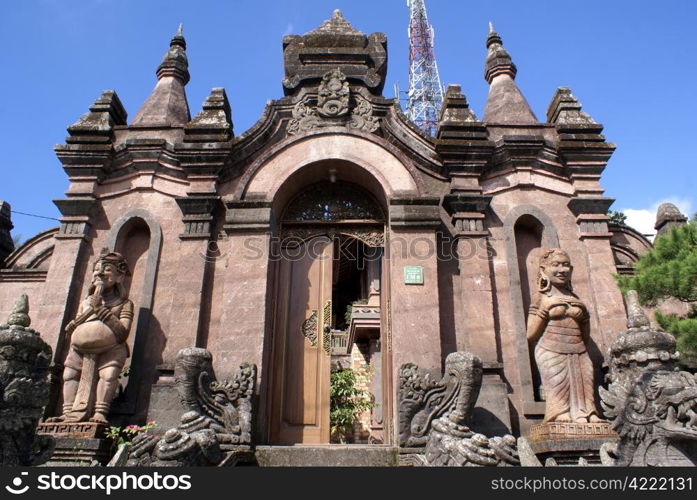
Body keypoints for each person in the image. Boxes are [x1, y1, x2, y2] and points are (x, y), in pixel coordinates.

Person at [51, 250, 133, 424]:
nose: (100, 273)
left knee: (109, 375)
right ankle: (68, 413)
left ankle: (100, 412)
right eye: (97, 269)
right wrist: (72, 328)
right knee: (69, 376)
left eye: (107, 269)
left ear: (119, 277)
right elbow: (78, 323)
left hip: (110, 348)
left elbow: (123, 331)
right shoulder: (85, 302)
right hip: (79, 349)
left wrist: (101, 310)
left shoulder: (124, 304)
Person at [526, 248, 601, 423]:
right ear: (543, 270)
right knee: (558, 386)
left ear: (572, 270)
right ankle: (559, 413)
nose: (561, 270)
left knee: (586, 383)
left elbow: (585, 337)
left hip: (579, 350)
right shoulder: (540, 297)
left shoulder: (574, 297)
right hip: (551, 350)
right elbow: (530, 334)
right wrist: (545, 310)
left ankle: (587, 413)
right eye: (556, 265)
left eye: (566, 265)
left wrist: (585, 318)